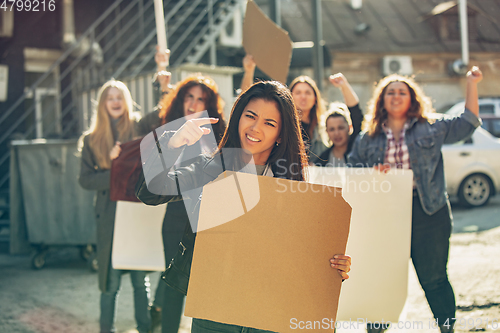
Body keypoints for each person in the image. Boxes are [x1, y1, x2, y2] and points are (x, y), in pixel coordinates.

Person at [136, 81, 352, 333]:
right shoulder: (210, 169)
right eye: (250, 116)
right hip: (215, 311)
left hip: (270, 314)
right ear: (238, 117)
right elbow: (149, 192)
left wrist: (335, 264)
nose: (255, 128)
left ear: (281, 134)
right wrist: (173, 143)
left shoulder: (293, 184)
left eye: (269, 123)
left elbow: (304, 252)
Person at [348, 67, 483, 333]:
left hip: (429, 213)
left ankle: (447, 328)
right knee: (382, 278)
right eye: (390, 92)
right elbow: (353, 170)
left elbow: (468, 122)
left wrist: (471, 82)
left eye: (402, 92)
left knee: (434, 279)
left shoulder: (431, 127)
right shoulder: (368, 137)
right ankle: (376, 329)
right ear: (381, 100)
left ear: (412, 99)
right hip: (385, 218)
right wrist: (371, 174)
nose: (396, 96)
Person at [137, 47, 227, 333]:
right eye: (189, 96)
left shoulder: (221, 130)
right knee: (173, 285)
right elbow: (146, 131)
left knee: (209, 289)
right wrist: (161, 84)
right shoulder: (168, 127)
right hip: (176, 217)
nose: (194, 102)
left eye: (201, 98)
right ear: (180, 99)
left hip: (212, 219)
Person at [78, 80, 151, 333]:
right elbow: (85, 180)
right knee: (109, 285)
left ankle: (146, 328)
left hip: (136, 214)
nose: (115, 101)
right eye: (109, 97)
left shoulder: (139, 129)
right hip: (110, 219)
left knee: (140, 282)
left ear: (127, 100)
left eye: (119, 96)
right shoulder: (91, 139)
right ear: (102, 104)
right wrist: (113, 170)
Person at [240, 55, 327, 161]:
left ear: (315, 98)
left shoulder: (325, 127)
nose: (303, 97)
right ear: (290, 98)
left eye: (307, 93)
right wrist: (249, 71)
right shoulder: (282, 123)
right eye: (298, 92)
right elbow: (245, 101)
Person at [313, 73, 363, 166]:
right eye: (332, 129)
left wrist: (344, 86)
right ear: (327, 131)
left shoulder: (358, 151)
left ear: (349, 127)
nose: (337, 133)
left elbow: (356, 114)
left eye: (340, 128)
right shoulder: (321, 161)